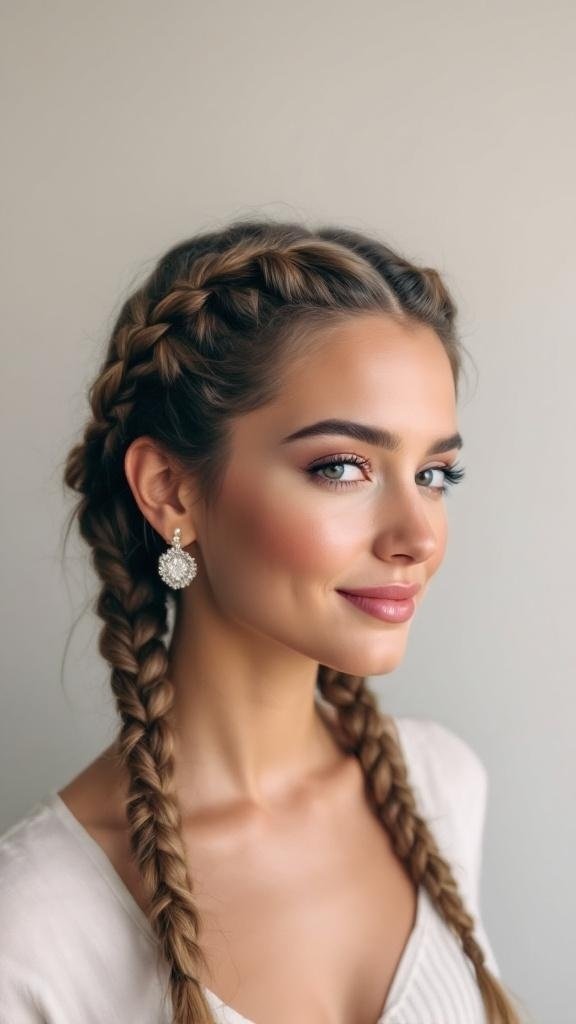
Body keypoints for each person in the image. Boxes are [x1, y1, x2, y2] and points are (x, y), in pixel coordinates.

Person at [0, 219, 527, 1024]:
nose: (418, 536)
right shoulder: (32, 931)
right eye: (343, 467)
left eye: (432, 473)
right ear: (172, 492)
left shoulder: (443, 786)